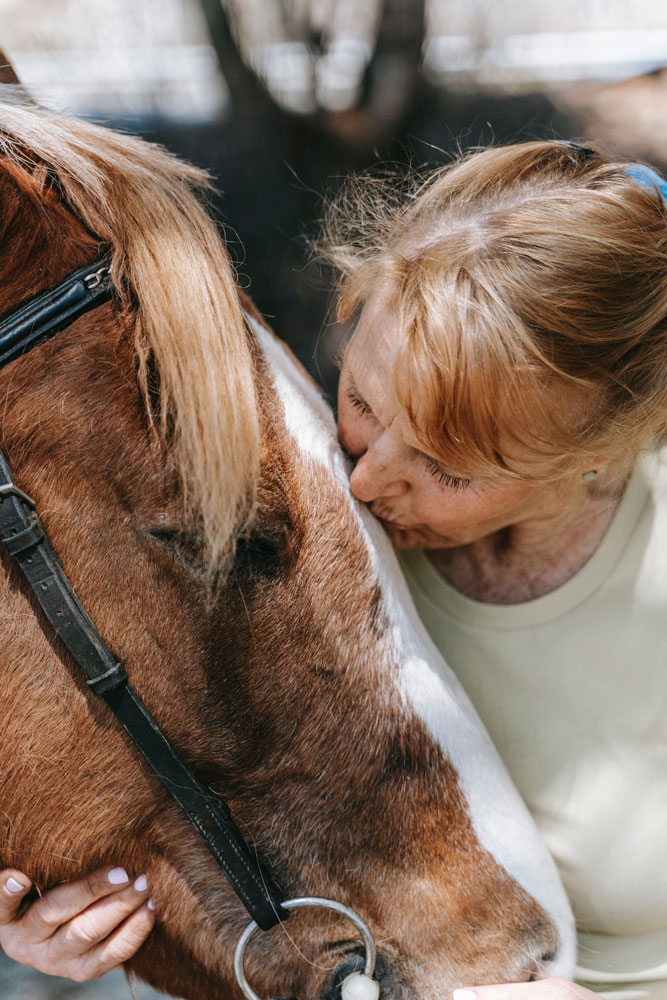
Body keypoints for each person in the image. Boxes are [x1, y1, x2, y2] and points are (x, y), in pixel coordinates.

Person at [1, 139, 666, 1000]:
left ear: (589, 456)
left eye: (446, 467)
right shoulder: (299, 498)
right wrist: (68, 915)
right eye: (360, 398)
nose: (363, 479)